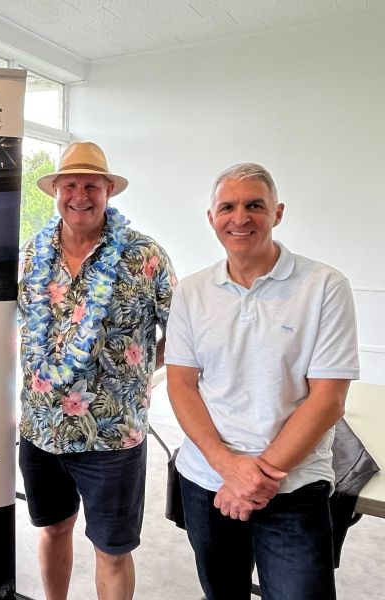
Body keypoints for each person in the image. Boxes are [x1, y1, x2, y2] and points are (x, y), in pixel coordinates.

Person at [165, 163, 359, 599]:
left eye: (254, 205)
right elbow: (181, 385)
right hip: (207, 481)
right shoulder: (192, 292)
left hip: (292, 485)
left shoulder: (324, 286)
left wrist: (256, 479)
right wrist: (227, 467)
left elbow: (328, 400)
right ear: (211, 217)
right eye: (227, 207)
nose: (240, 218)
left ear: (278, 212)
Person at [17, 141, 176, 600]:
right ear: (56, 192)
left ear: (108, 190)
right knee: (52, 529)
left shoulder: (145, 256)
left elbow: (183, 333)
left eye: (91, 185)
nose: (80, 196)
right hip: (41, 428)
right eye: (70, 185)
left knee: (112, 551)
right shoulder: (32, 255)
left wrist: (139, 367)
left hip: (112, 436)